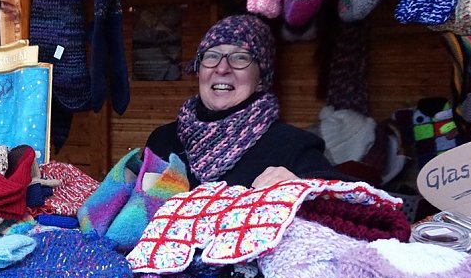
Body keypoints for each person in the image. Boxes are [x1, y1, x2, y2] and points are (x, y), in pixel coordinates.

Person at [146, 14, 345, 190]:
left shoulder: (291, 146)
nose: (222, 68)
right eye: (212, 56)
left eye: (240, 58)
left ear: (261, 79)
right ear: (199, 70)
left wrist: (304, 189)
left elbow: (352, 205)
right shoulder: (163, 140)